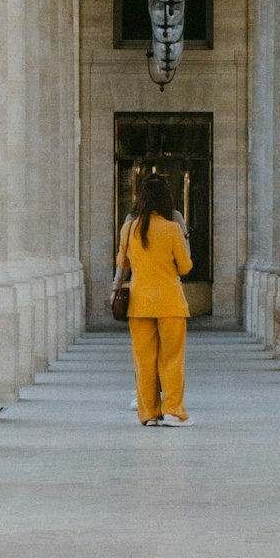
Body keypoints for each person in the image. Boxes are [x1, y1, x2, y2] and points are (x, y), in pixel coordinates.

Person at [111, 174, 194, 427]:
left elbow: (121, 264)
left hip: (139, 303)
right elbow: (185, 267)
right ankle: (173, 411)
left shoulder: (129, 228)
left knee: (144, 360)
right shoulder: (172, 228)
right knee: (171, 359)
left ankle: (148, 414)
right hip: (170, 302)